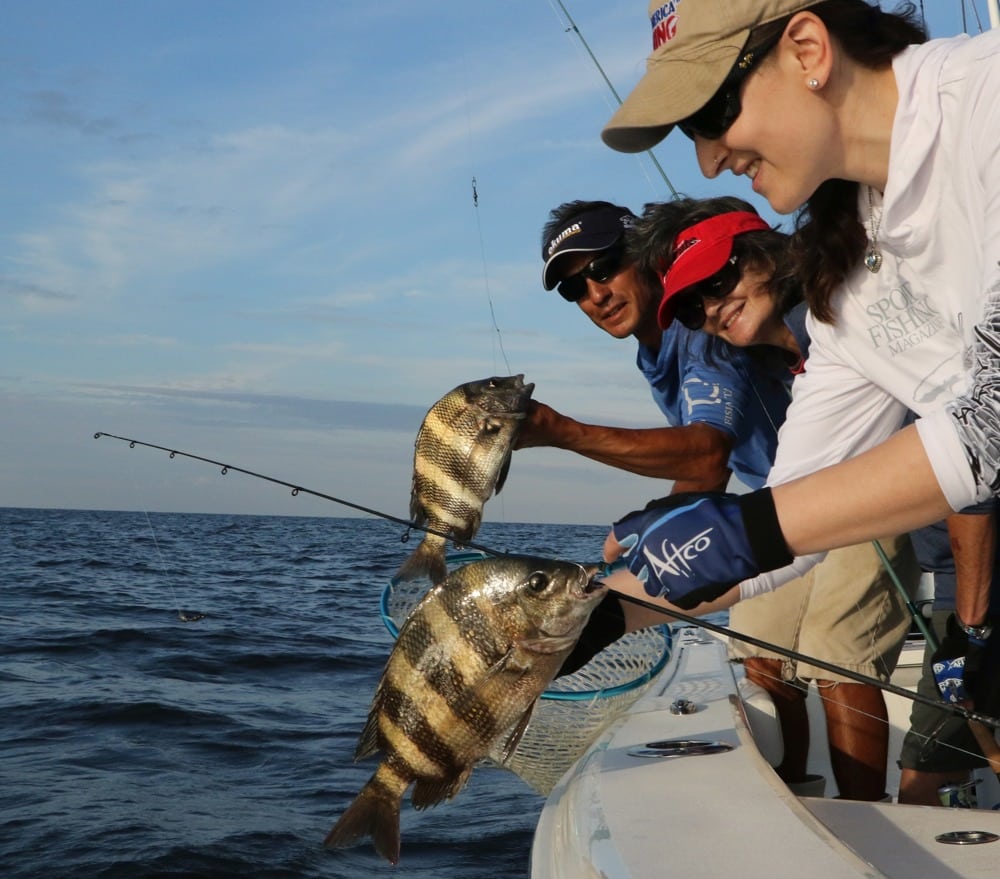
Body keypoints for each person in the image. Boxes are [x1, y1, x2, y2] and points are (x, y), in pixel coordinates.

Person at [596, 0, 1000, 715]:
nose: (709, 157)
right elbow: (790, 521)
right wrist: (584, 618)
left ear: (809, 50)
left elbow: (991, 426)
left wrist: (739, 531)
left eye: (712, 114)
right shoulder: (844, 291)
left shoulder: (987, 103)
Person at [532, 197, 919, 800]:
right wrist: (637, 558)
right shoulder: (657, 345)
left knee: (832, 658)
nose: (594, 294)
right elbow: (705, 481)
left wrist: (563, 433)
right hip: (774, 504)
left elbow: (705, 453)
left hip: (857, 486)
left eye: (603, 268)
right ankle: (801, 798)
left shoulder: (696, 336)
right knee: (760, 655)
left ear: (642, 257)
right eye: (574, 289)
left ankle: (865, 814)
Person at [633, 195, 1000, 805]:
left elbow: (975, 461)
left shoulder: (851, 311)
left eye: (720, 278)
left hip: (973, 585)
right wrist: (619, 601)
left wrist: (973, 629)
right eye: (694, 306)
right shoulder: (818, 351)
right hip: (959, 581)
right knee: (917, 784)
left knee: (913, 779)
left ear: (765, 254)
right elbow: (782, 522)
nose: (713, 306)